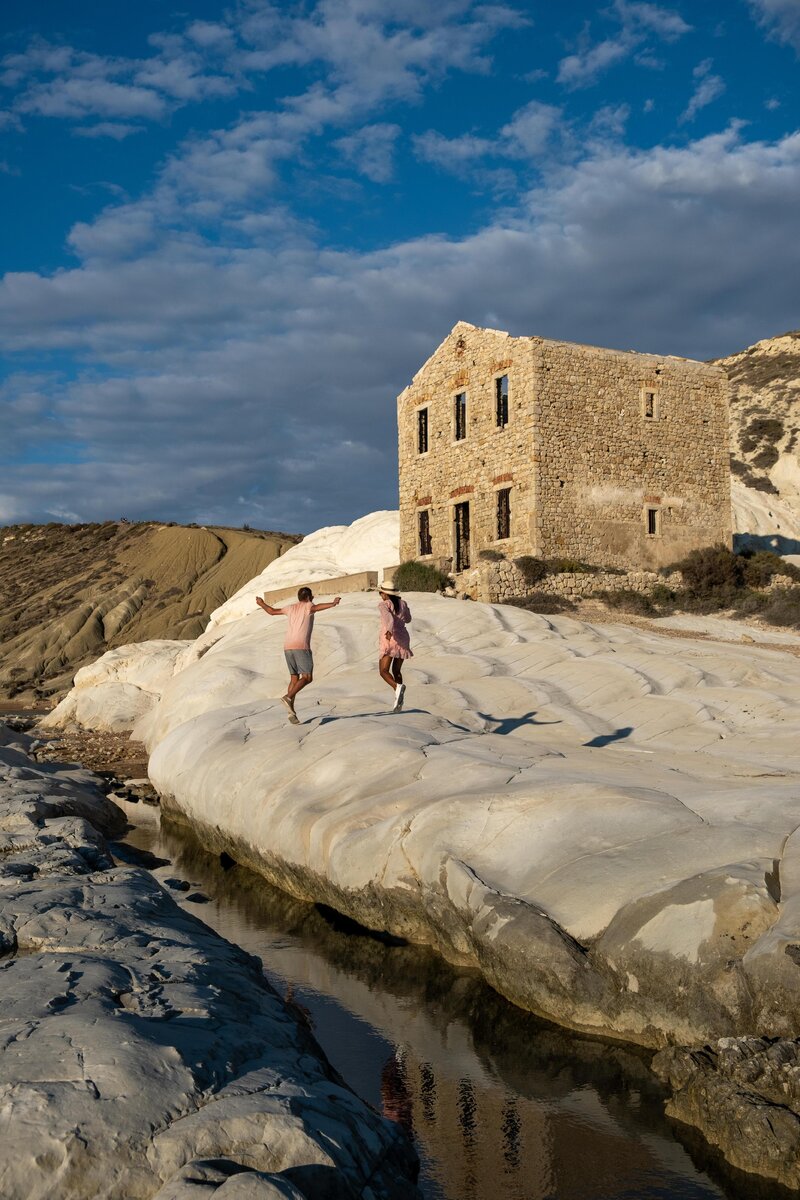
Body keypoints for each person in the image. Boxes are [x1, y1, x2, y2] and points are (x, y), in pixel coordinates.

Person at [256, 586, 340, 723]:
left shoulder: (290, 608)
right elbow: (317, 607)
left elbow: (271, 612)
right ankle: (288, 697)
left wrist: (261, 603)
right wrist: (333, 603)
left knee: (294, 679)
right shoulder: (308, 606)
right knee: (307, 677)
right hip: (301, 646)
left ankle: (291, 713)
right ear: (308, 597)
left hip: (287, 647)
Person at [378, 582, 412, 711]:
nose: (381, 595)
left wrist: (389, 631)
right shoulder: (403, 603)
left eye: (381, 593)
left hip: (391, 638)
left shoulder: (384, 605)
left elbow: (389, 620)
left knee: (383, 671)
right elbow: (408, 619)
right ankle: (399, 700)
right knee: (396, 671)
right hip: (403, 638)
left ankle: (397, 688)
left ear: (385, 594)